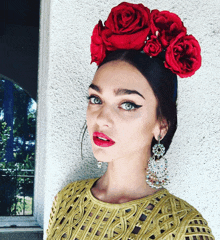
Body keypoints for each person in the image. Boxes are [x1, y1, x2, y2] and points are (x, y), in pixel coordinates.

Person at [46, 2, 215, 239]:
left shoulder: (184, 229)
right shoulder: (66, 201)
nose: (102, 118)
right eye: (96, 99)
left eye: (127, 104)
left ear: (162, 124)